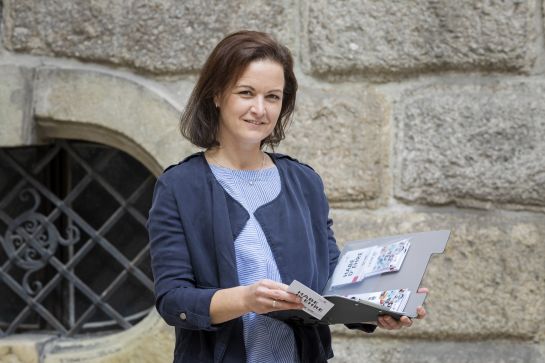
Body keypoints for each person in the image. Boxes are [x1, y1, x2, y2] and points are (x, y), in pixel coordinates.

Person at [147, 30, 426, 363]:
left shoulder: (304, 182)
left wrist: (380, 307)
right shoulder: (178, 186)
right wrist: (246, 299)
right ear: (217, 94)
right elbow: (173, 300)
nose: (260, 109)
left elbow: (331, 281)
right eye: (246, 93)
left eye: (273, 97)